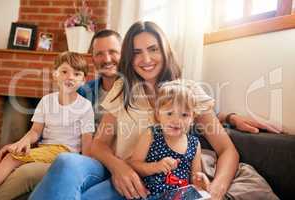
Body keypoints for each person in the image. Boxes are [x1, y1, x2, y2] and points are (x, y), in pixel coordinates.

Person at [28, 21, 238, 200]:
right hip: (116, 170)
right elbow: (99, 144)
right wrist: (120, 168)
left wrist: (216, 190)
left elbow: (227, 150)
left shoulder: (188, 90)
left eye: (153, 49)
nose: (146, 59)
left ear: (165, 50)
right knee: (65, 161)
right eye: (137, 52)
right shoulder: (123, 88)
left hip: (152, 184)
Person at [0, 29, 122, 200]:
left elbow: (86, 144)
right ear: (93, 57)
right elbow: (43, 130)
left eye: (113, 52)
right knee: (15, 163)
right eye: (100, 53)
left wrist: (82, 165)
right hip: (62, 153)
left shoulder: (130, 92)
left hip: (94, 160)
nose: (106, 59)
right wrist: (19, 145)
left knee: (24, 171)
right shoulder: (85, 90)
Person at [0, 51, 94, 190]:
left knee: (12, 159)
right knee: (12, 155)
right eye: (64, 71)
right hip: (45, 149)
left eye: (77, 74)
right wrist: (21, 142)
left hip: (65, 153)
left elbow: (87, 142)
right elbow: (35, 131)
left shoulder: (85, 106)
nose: (70, 77)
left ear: (83, 80)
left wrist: (85, 169)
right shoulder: (47, 101)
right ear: (55, 75)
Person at [128, 80, 210, 198]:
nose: (176, 120)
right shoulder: (151, 134)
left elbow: (194, 177)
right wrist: (155, 167)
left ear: (192, 118)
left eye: (184, 115)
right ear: (158, 114)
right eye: (169, 113)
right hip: (152, 194)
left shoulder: (194, 144)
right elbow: (134, 164)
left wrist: (200, 179)